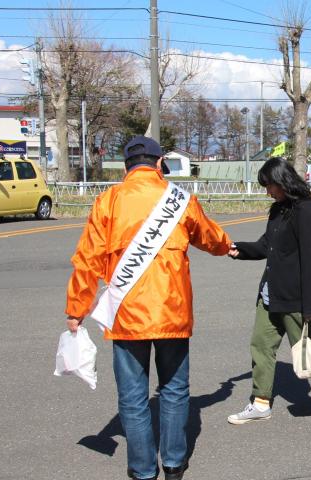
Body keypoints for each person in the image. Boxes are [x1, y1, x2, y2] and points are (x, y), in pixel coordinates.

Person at [64, 136, 232, 480]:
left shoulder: (108, 200)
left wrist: (76, 309)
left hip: (127, 315)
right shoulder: (179, 199)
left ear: (126, 166)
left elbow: (87, 259)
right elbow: (210, 237)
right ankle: (173, 463)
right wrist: (228, 246)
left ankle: (142, 470)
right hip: (172, 312)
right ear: (159, 164)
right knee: (173, 390)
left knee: (133, 396)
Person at [226, 157, 311, 425]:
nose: (267, 191)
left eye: (269, 185)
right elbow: (265, 246)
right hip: (269, 294)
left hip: (295, 298)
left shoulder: (306, 211)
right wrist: (238, 249)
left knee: (308, 352)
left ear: (282, 181)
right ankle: (260, 402)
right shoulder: (277, 210)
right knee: (260, 346)